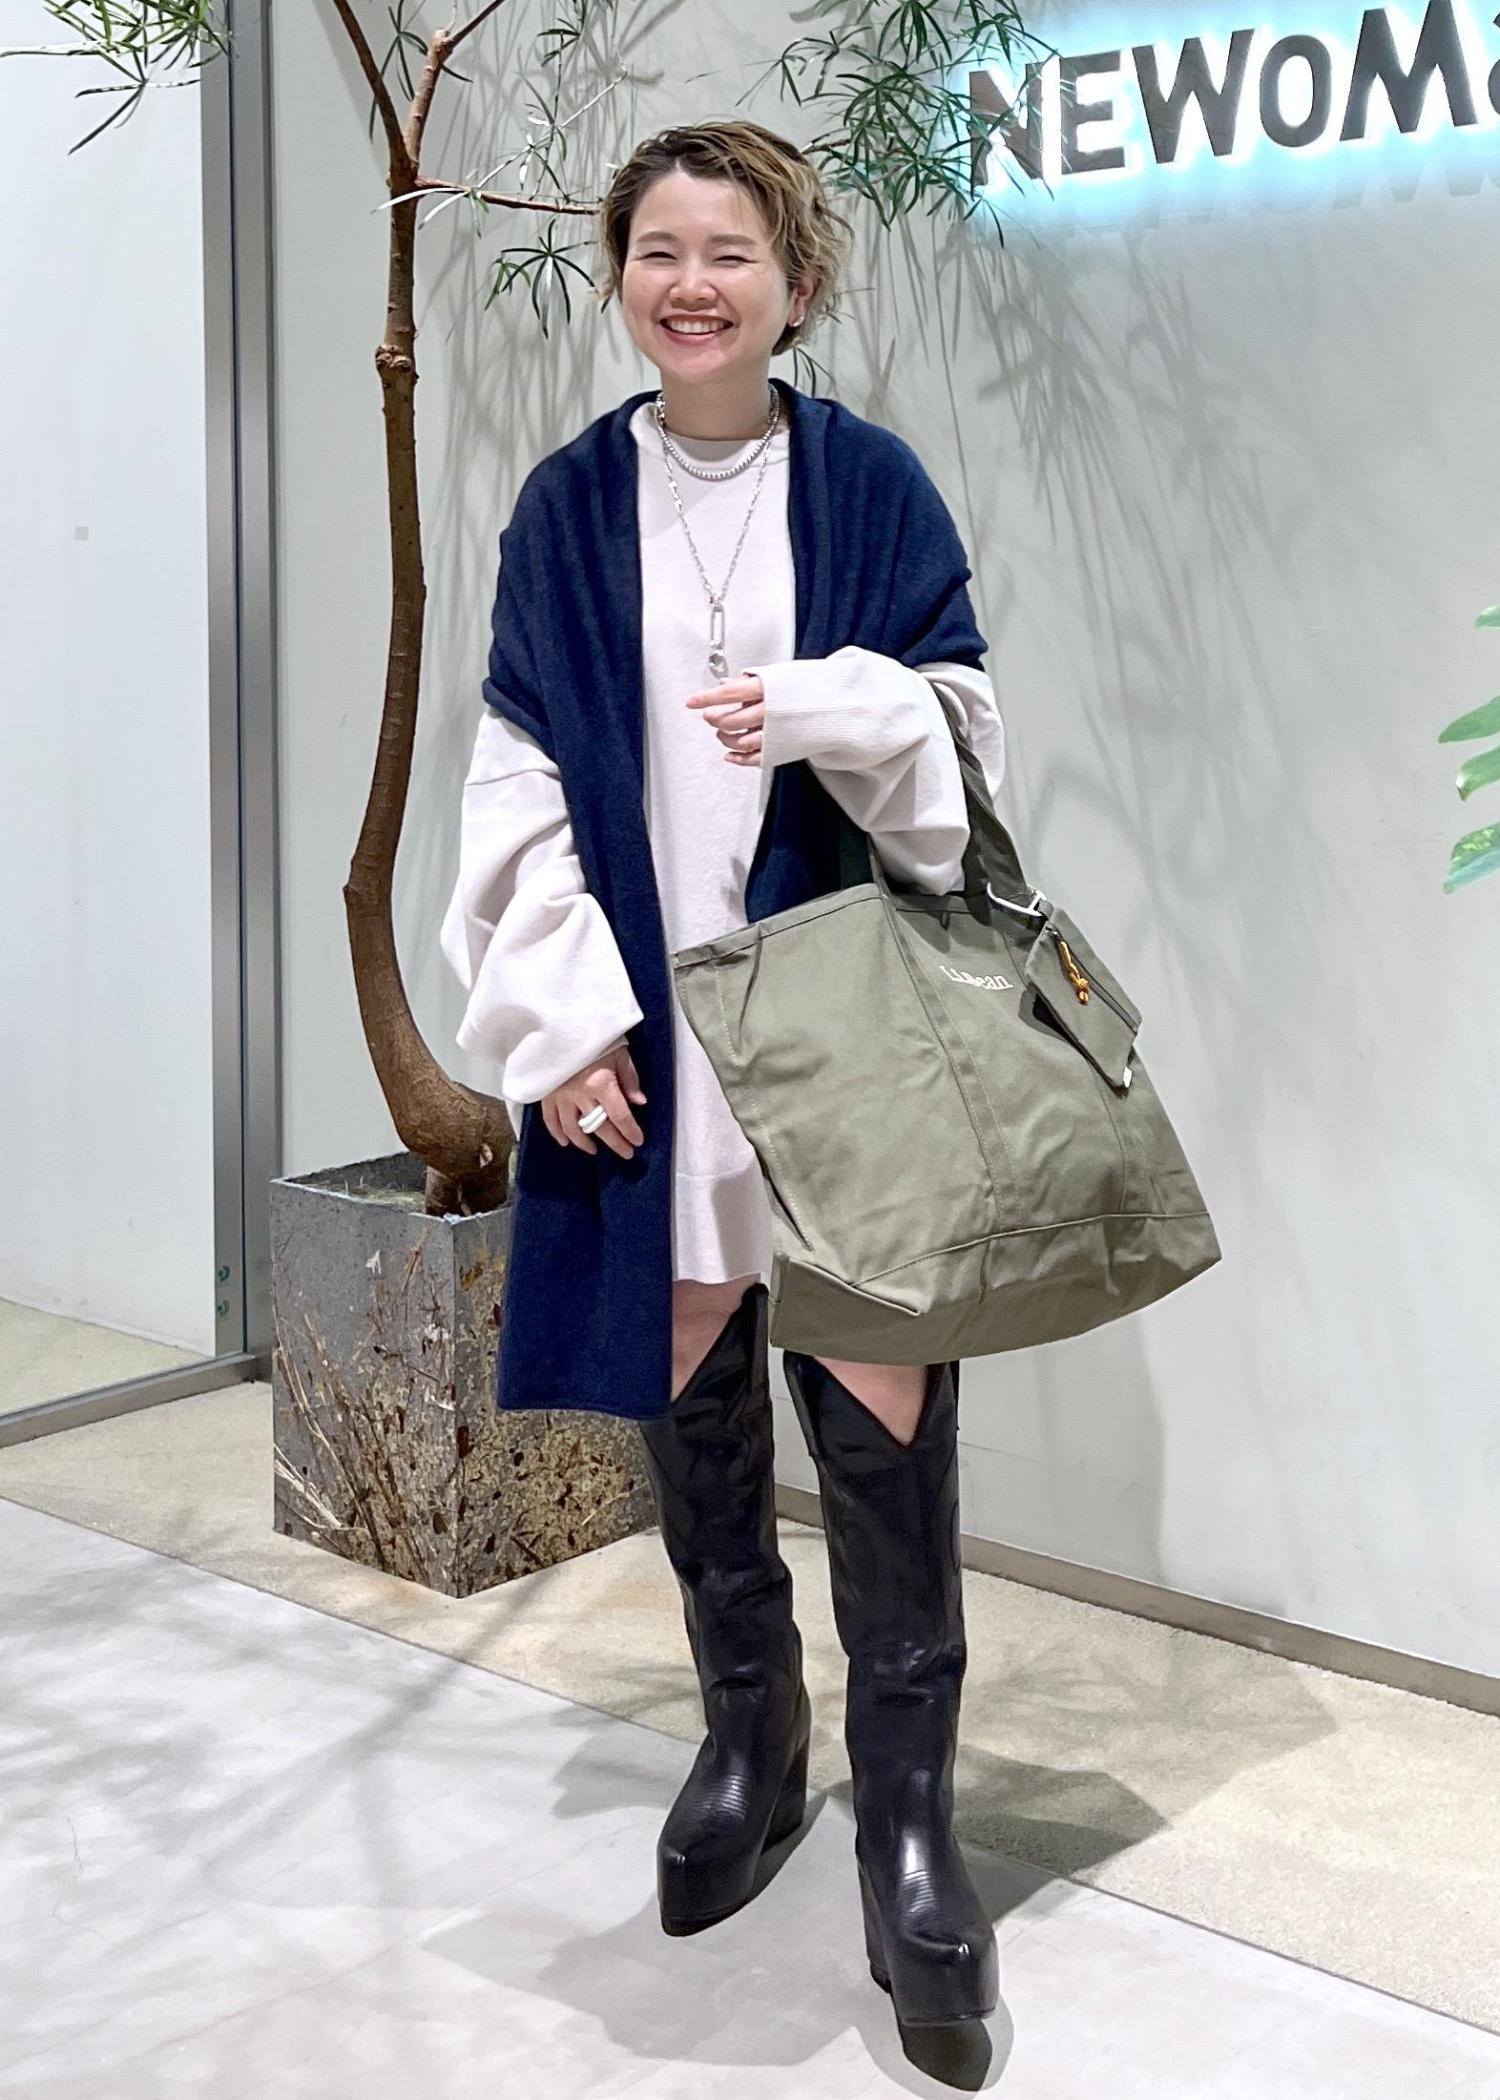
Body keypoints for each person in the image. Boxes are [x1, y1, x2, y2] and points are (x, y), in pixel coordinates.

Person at [440, 119, 1009, 2042]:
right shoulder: (564, 505)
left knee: (878, 1384)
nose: (693, 284)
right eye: (661, 250)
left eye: (731, 251)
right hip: (651, 1025)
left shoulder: (868, 481)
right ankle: (751, 1737)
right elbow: (517, 767)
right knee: (689, 1374)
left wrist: (837, 701)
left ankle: (909, 1821)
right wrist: (561, 1017)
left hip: (847, 1024)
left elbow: (963, 744)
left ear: (795, 279)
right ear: (623, 275)